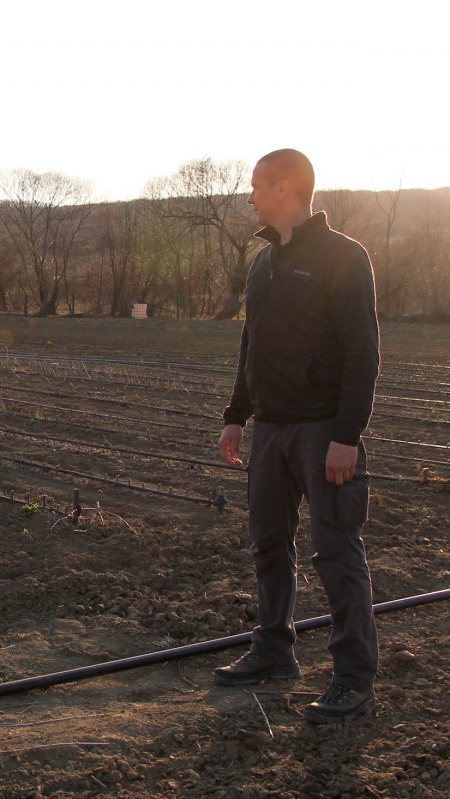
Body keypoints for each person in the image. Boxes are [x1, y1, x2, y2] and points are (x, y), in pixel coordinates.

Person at [215, 148, 380, 724]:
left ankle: (353, 680)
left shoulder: (343, 256)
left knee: (336, 550)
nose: (250, 197)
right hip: (271, 429)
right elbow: (251, 344)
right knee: (268, 543)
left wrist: (347, 435)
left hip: (322, 430)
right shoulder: (263, 263)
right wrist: (237, 415)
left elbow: (363, 351)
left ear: (285, 187)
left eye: (257, 185)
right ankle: (274, 651)